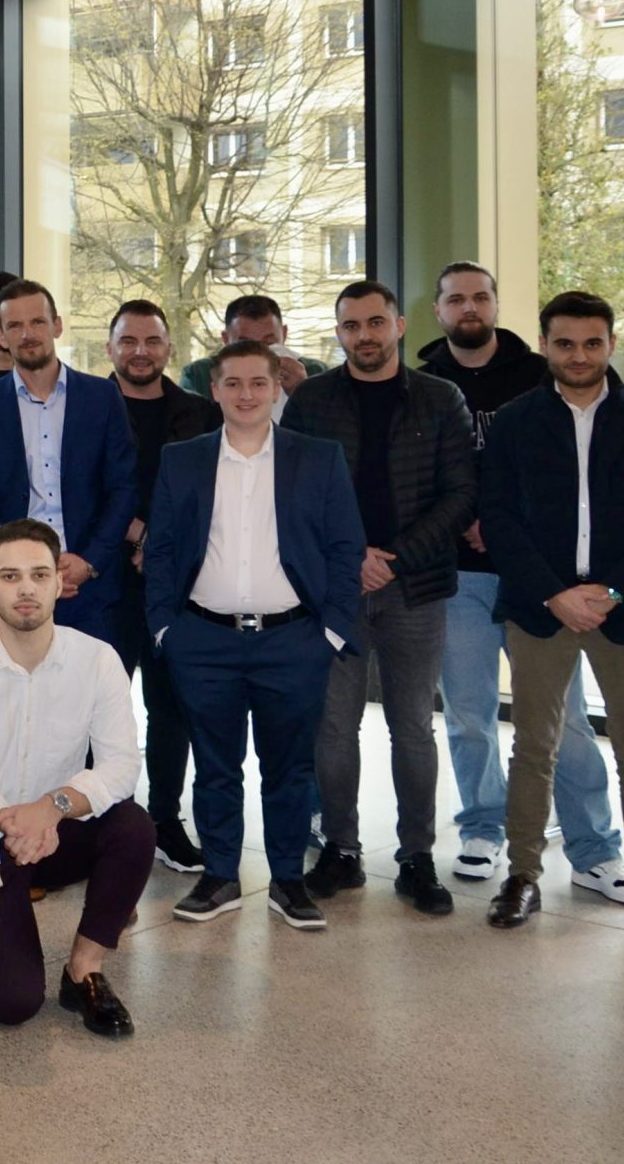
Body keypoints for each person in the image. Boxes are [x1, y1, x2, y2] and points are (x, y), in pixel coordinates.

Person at [481, 291, 624, 950]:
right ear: (545, 345)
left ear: (611, 344)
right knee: (533, 747)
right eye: (565, 343)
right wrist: (555, 593)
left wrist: (614, 590)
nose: (579, 355)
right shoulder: (514, 422)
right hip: (540, 607)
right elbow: (498, 518)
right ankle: (522, 876)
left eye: (592, 343)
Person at [418, 262, 624, 896]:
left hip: (540, 576)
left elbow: (580, 472)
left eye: (480, 296)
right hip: (459, 575)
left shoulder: (545, 372)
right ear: (439, 310)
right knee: (469, 715)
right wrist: (465, 519)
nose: (470, 308)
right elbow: (419, 474)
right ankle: (484, 827)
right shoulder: (424, 385)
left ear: (495, 303)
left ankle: (594, 846)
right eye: (456, 299)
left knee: (564, 717)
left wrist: (507, 524)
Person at [143, 339, 361, 932]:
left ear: (277, 387)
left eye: (258, 383)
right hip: (202, 641)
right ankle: (220, 876)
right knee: (216, 768)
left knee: (289, 769)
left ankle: (288, 880)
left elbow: (346, 548)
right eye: (233, 383)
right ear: (214, 390)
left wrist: (331, 633)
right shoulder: (182, 459)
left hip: (294, 641)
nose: (246, 394)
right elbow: (161, 549)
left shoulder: (317, 458)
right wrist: (166, 628)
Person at [280, 280, 476, 917]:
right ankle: (342, 849)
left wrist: (394, 559)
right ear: (338, 332)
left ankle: (417, 857)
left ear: (399, 325)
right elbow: (293, 495)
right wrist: (352, 559)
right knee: (334, 727)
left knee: (412, 727)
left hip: (415, 588)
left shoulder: (441, 397)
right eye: (350, 326)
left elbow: (460, 494)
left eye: (374, 322)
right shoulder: (312, 400)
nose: (363, 335)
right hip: (336, 592)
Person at [0, 519, 151, 1038]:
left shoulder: (97, 660)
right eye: (10, 576)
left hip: (60, 831)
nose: (26, 589)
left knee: (134, 827)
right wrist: (12, 818)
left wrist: (50, 808)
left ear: (60, 582)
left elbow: (121, 766)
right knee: (13, 1003)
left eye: (39, 574)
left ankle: (84, 970)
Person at [103, 298, 222, 873]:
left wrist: (161, 545)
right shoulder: (88, 406)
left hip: (179, 583)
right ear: (110, 348)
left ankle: (165, 820)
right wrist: (135, 535)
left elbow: (215, 493)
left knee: (171, 706)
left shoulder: (201, 412)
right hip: (105, 580)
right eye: (128, 341)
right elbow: (79, 485)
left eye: (151, 341)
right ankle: (103, 821)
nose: (140, 352)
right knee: (101, 707)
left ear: (169, 348)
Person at [0, 279, 137, 647]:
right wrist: (17, 564)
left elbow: (124, 488)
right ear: (0, 335)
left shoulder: (102, 396)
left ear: (57, 325)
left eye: (37, 322)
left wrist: (89, 561)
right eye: (15, 325)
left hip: (90, 585)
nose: (27, 334)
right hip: (13, 588)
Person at [177, 294, 328, 403]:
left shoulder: (316, 372)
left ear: (284, 333)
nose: (259, 354)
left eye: (269, 344)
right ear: (226, 339)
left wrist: (304, 392)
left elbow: (330, 430)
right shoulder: (198, 375)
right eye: (246, 345)